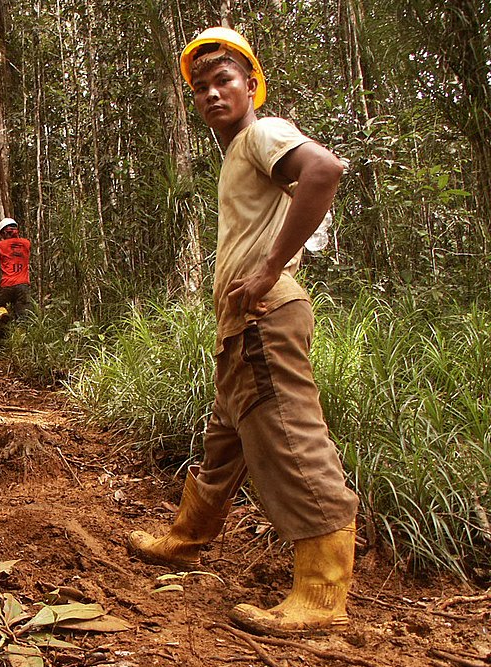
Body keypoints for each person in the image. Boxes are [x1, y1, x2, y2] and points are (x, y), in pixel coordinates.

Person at [126, 27, 358, 636]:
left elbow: (324, 170)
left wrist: (269, 268)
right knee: (223, 442)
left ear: (251, 85)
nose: (210, 93)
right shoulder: (239, 153)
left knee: (290, 440)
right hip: (241, 326)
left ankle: (322, 593)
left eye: (223, 80)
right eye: (200, 86)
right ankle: (186, 538)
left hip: (266, 317)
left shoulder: (261, 133)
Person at [0, 217, 31, 324]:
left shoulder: (0, 246)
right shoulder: (26, 243)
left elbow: (0, 262)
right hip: (23, 284)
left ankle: (2, 316)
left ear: (3, 233)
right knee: (23, 315)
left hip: (7, 284)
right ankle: (21, 331)